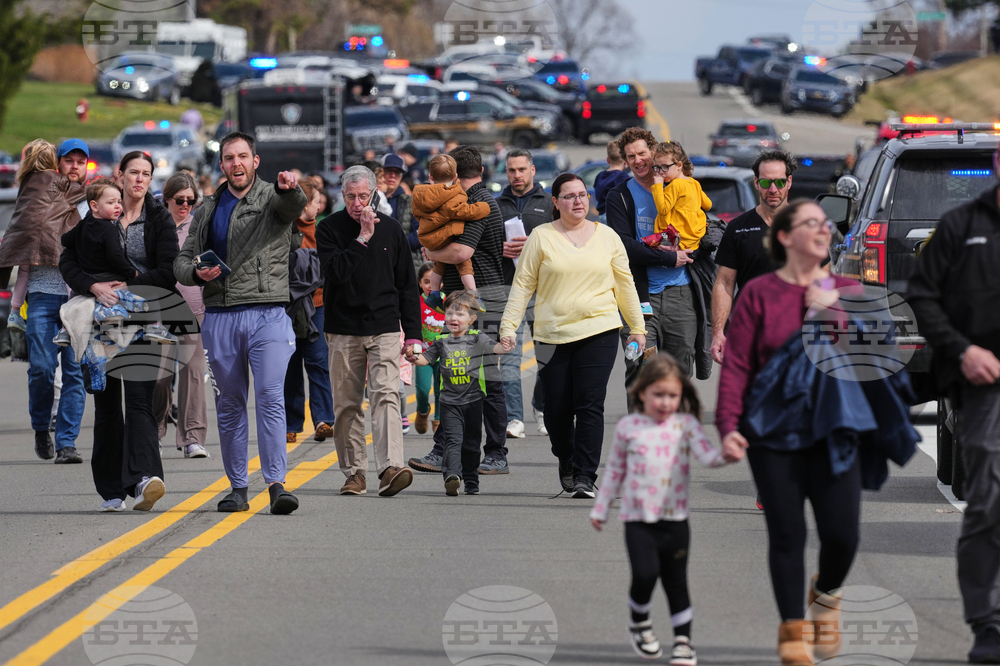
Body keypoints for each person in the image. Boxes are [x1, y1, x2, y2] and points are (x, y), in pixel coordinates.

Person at [715, 200, 917, 665]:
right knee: (786, 535)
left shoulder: (850, 290)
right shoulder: (760, 293)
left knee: (842, 535)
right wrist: (729, 427)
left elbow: (879, 359)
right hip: (772, 433)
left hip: (837, 428)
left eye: (825, 223)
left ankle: (825, 596)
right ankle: (792, 630)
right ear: (785, 237)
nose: (823, 229)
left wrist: (832, 313)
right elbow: (739, 366)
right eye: (811, 223)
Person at [174, 132, 306, 516]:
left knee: (269, 396)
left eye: (243, 156)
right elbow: (182, 261)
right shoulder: (207, 208)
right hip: (219, 316)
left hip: (268, 314)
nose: (237, 164)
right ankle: (237, 489)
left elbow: (292, 207)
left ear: (255, 161)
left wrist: (290, 188)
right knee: (230, 404)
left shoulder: (272, 198)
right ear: (222, 165)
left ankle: (277, 485)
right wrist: (197, 273)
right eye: (230, 158)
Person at [906, 152, 1000, 663]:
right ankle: (989, 624)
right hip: (984, 388)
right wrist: (964, 351)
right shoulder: (961, 226)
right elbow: (923, 297)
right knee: (990, 501)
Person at [500, 173, 646, 498]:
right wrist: (508, 328)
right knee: (556, 409)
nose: (578, 201)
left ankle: (584, 475)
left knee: (590, 403)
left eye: (582, 195)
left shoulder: (607, 237)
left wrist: (637, 327)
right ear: (555, 202)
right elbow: (522, 285)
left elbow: (625, 284)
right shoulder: (541, 237)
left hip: (599, 328)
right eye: (569, 196)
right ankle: (567, 458)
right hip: (551, 333)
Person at [590, 354, 741, 662]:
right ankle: (640, 622)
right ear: (642, 392)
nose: (665, 402)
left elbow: (706, 455)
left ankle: (683, 642)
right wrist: (601, 509)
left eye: (672, 396)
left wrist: (725, 455)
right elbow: (615, 471)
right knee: (644, 575)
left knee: (676, 581)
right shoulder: (629, 427)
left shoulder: (685, 425)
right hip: (638, 520)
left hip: (675, 521)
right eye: (658, 394)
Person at [61, 151, 179, 511]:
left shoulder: (158, 217)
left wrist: (131, 285)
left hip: (142, 314)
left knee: (140, 399)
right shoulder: (97, 212)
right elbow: (67, 260)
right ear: (120, 175)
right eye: (133, 172)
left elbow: (168, 270)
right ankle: (111, 490)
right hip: (98, 317)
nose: (140, 179)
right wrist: (93, 286)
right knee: (108, 403)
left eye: (146, 174)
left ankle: (144, 479)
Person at [315, 165, 421, 497]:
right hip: (343, 328)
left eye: (363, 196)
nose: (358, 203)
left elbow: (407, 285)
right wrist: (362, 237)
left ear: (374, 194)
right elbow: (336, 273)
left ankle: (390, 467)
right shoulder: (329, 228)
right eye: (351, 197)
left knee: (386, 395)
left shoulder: (392, 229)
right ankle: (355, 473)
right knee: (346, 403)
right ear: (342, 196)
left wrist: (413, 335)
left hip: (384, 326)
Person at [408, 146, 510, 476]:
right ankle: (444, 450)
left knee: (487, 381)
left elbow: (461, 251)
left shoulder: (476, 203)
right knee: (452, 378)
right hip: (458, 303)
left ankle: (496, 453)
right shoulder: (461, 202)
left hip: (483, 304)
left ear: (454, 176)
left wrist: (431, 249)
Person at [0, 139, 87, 464]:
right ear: (57, 164)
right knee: (41, 369)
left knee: (74, 373)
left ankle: (67, 443)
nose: (75, 166)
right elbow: (22, 239)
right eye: (69, 160)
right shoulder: (37, 194)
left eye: (81, 161)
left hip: (77, 300)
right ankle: (40, 426)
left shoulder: (88, 203)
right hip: (41, 297)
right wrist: (15, 307)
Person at [606, 128, 697, 380]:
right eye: (631, 156)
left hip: (680, 294)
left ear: (653, 153)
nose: (638, 160)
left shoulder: (681, 187)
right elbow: (624, 246)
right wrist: (669, 258)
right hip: (638, 299)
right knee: (642, 371)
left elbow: (699, 228)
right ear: (625, 161)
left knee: (679, 374)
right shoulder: (620, 196)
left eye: (642, 153)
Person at [406, 290, 513, 495]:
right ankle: (452, 476)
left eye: (459, 314)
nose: (453, 318)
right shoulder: (441, 340)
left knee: (471, 444)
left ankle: (471, 481)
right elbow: (425, 359)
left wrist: (506, 345)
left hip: (473, 400)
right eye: (449, 313)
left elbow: (496, 349)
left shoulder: (477, 338)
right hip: (449, 401)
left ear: (471, 319)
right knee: (453, 440)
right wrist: (413, 357)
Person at [711, 151, 796, 365]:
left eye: (779, 182)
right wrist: (719, 332)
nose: (773, 189)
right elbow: (724, 283)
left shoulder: (807, 226)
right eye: (766, 182)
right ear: (757, 183)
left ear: (789, 182)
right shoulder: (737, 228)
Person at [153, 172, 210, 459]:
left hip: (194, 310)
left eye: (191, 200)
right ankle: (155, 431)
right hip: (160, 310)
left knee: (194, 373)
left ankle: (192, 438)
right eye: (179, 200)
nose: (185, 205)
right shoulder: (154, 226)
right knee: (159, 376)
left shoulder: (199, 227)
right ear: (167, 199)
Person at [496, 148, 552, 438]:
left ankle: (541, 407)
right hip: (509, 290)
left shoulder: (550, 203)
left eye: (521, 169)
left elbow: (567, 240)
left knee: (548, 356)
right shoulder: (496, 205)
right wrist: (500, 248)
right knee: (509, 357)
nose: (516, 175)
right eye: (511, 170)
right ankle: (514, 418)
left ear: (532, 170)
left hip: (544, 291)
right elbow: (482, 246)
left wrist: (536, 243)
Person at [284, 179, 336, 444]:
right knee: (291, 366)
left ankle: (324, 420)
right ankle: (291, 425)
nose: (320, 206)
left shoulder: (323, 230)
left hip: (318, 305)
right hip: (289, 308)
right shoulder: (285, 230)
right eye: (317, 201)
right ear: (305, 204)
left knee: (318, 362)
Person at [411, 154, 491, 299]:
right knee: (464, 265)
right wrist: (484, 207)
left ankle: (434, 295)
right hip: (445, 236)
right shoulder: (451, 196)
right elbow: (466, 211)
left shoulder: (420, 194)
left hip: (427, 237)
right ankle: (474, 295)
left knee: (439, 266)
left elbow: (417, 214)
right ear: (455, 176)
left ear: (430, 176)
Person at [414, 262, 445, 433]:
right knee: (423, 389)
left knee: (441, 389)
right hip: (423, 354)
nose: (431, 285)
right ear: (420, 283)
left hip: (443, 355)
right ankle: (423, 410)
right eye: (426, 282)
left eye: (435, 281)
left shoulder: (447, 301)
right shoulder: (416, 302)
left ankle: (439, 420)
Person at [594, 140, 630, 224]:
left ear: (607, 160)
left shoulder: (600, 175)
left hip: (602, 214)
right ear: (626, 162)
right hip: (615, 215)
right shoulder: (623, 177)